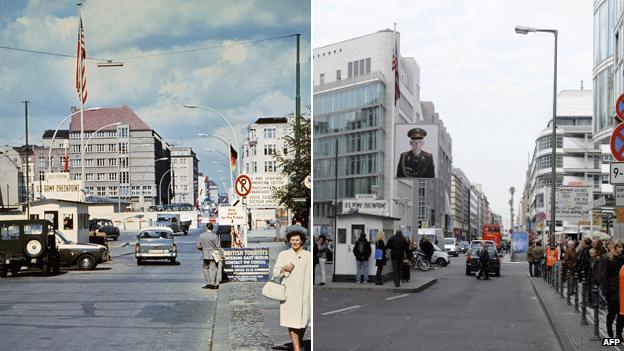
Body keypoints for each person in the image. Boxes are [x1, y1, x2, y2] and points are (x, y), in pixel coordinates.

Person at [273, 224, 311, 351]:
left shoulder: (308, 255)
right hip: (289, 293)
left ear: (302, 241)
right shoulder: (284, 254)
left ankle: (299, 343)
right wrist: (284, 268)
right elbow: (275, 273)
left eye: (297, 240)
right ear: (289, 240)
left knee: (303, 321)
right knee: (291, 321)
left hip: (305, 293)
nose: (295, 242)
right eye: (292, 240)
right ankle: (297, 348)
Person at [604, 242, 624, 340]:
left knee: (621, 314)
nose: (621, 249)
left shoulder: (623, 259)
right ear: (615, 248)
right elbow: (606, 276)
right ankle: (609, 330)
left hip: (622, 289)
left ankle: (619, 335)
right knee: (612, 313)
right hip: (612, 290)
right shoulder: (610, 259)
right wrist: (606, 290)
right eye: (619, 247)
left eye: (622, 247)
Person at [196, 223, 221, 289]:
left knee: (205, 268)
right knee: (214, 268)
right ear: (212, 228)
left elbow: (198, 246)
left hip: (206, 254)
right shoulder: (215, 236)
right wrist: (221, 254)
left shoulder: (202, 236)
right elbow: (218, 246)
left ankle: (208, 283)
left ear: (206, 228)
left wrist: (203, 249)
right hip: (214, 254)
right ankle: (213, 283)